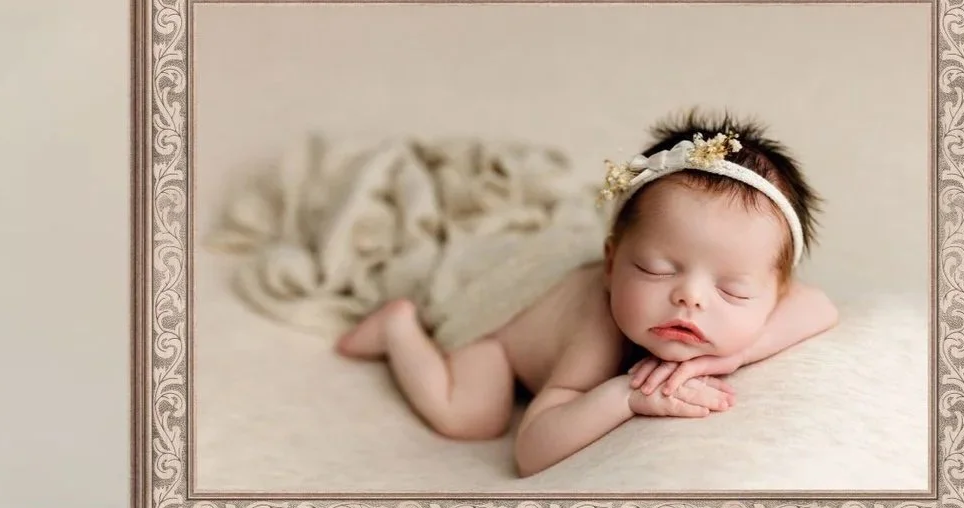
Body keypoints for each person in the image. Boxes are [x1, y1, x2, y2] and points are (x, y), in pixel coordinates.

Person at [336, 115, 837, 477]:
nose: (690, 298)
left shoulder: (767, 295)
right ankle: (398, 327)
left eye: (732, 290)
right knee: (472, 416)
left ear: (774, 293)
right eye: (655, 269)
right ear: (611, 264)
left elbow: (820, 307)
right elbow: (532, 450)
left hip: (549, 279)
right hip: (502, 319)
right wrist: (625, 395)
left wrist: (734, 354)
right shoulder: (598, 333)